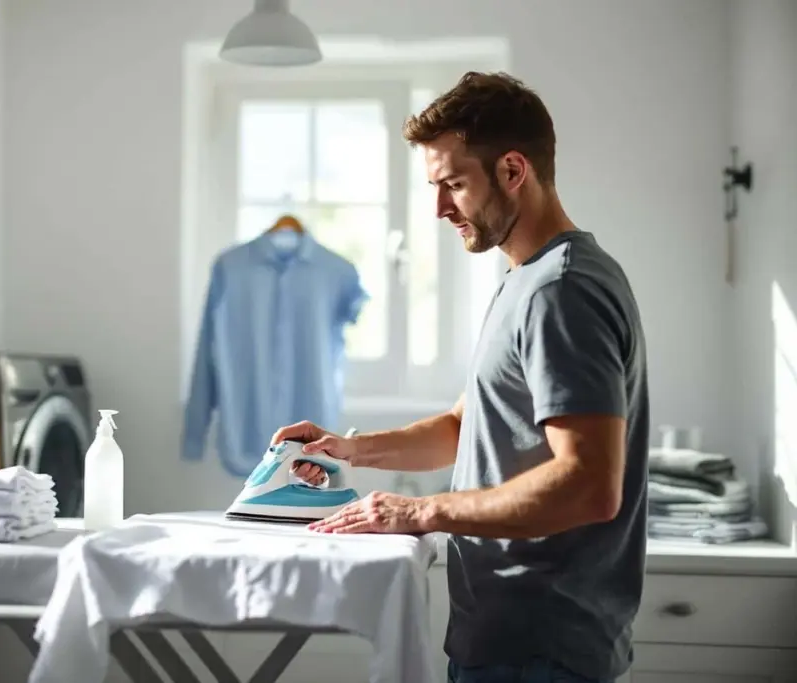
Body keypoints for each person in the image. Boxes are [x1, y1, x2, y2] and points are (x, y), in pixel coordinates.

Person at [270, 71, 649, 683]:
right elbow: (461, 426)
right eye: (435, 187)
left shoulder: (561, 290)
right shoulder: (526, 279)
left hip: (539, 648)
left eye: (454, 184)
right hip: (505, 637)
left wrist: (422, 511)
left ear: (513, 170)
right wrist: (348, 449)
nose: (439, 209)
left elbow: (589, 485)